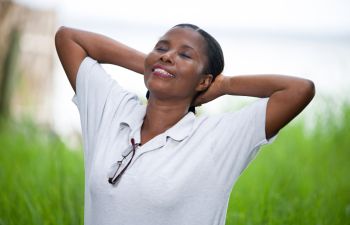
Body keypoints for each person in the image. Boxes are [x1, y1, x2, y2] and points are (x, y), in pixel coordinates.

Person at [55, 23, 315, 225]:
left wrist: (224, 86)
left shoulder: (217, 139)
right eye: (161, 48)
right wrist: (154, 66)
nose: (167, 55)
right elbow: (69, 38)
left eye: (185, 55)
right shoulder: (113, 111)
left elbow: (299, 90)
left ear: (204, 81)